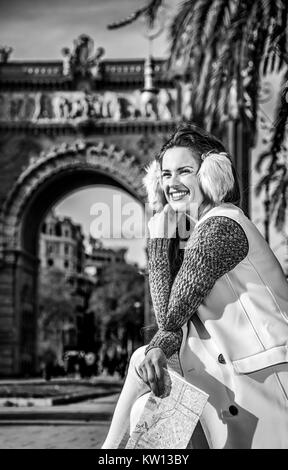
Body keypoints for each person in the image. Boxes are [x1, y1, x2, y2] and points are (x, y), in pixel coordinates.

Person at [101, 123, 288, 449]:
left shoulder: (221, 225)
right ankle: (111, 452)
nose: (172, 183)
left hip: (266, 383)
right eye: (165, 175)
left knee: (146, 368)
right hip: (230, 379)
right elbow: (170, 329)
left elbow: (170, 317)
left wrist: (158, 240)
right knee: (149, 388)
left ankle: (109, 452)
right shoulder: (199, 229)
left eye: (184, 171)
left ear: (211, 173)